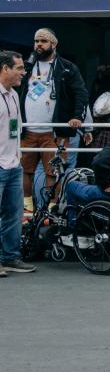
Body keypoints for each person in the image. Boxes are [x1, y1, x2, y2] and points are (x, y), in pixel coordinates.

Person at [18, 28, 91, 211]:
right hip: (27, 130)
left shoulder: (67, 67)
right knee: (25, 169)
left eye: (43, 41)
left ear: (53, 44)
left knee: (54, 171)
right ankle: (28, 207)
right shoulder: (27, 67)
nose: (38, 45)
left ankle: (51, 208)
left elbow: (80, 93)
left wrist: (77, 117)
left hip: (55, 132)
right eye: (36, 41)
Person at [0, 50, 36, 276]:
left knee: (14, 214)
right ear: (5, 69)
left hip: (13, 164)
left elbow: (15, 129)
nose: (23, 72)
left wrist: (18, 156)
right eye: (19, 68)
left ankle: (10, 257)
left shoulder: (13, 94)